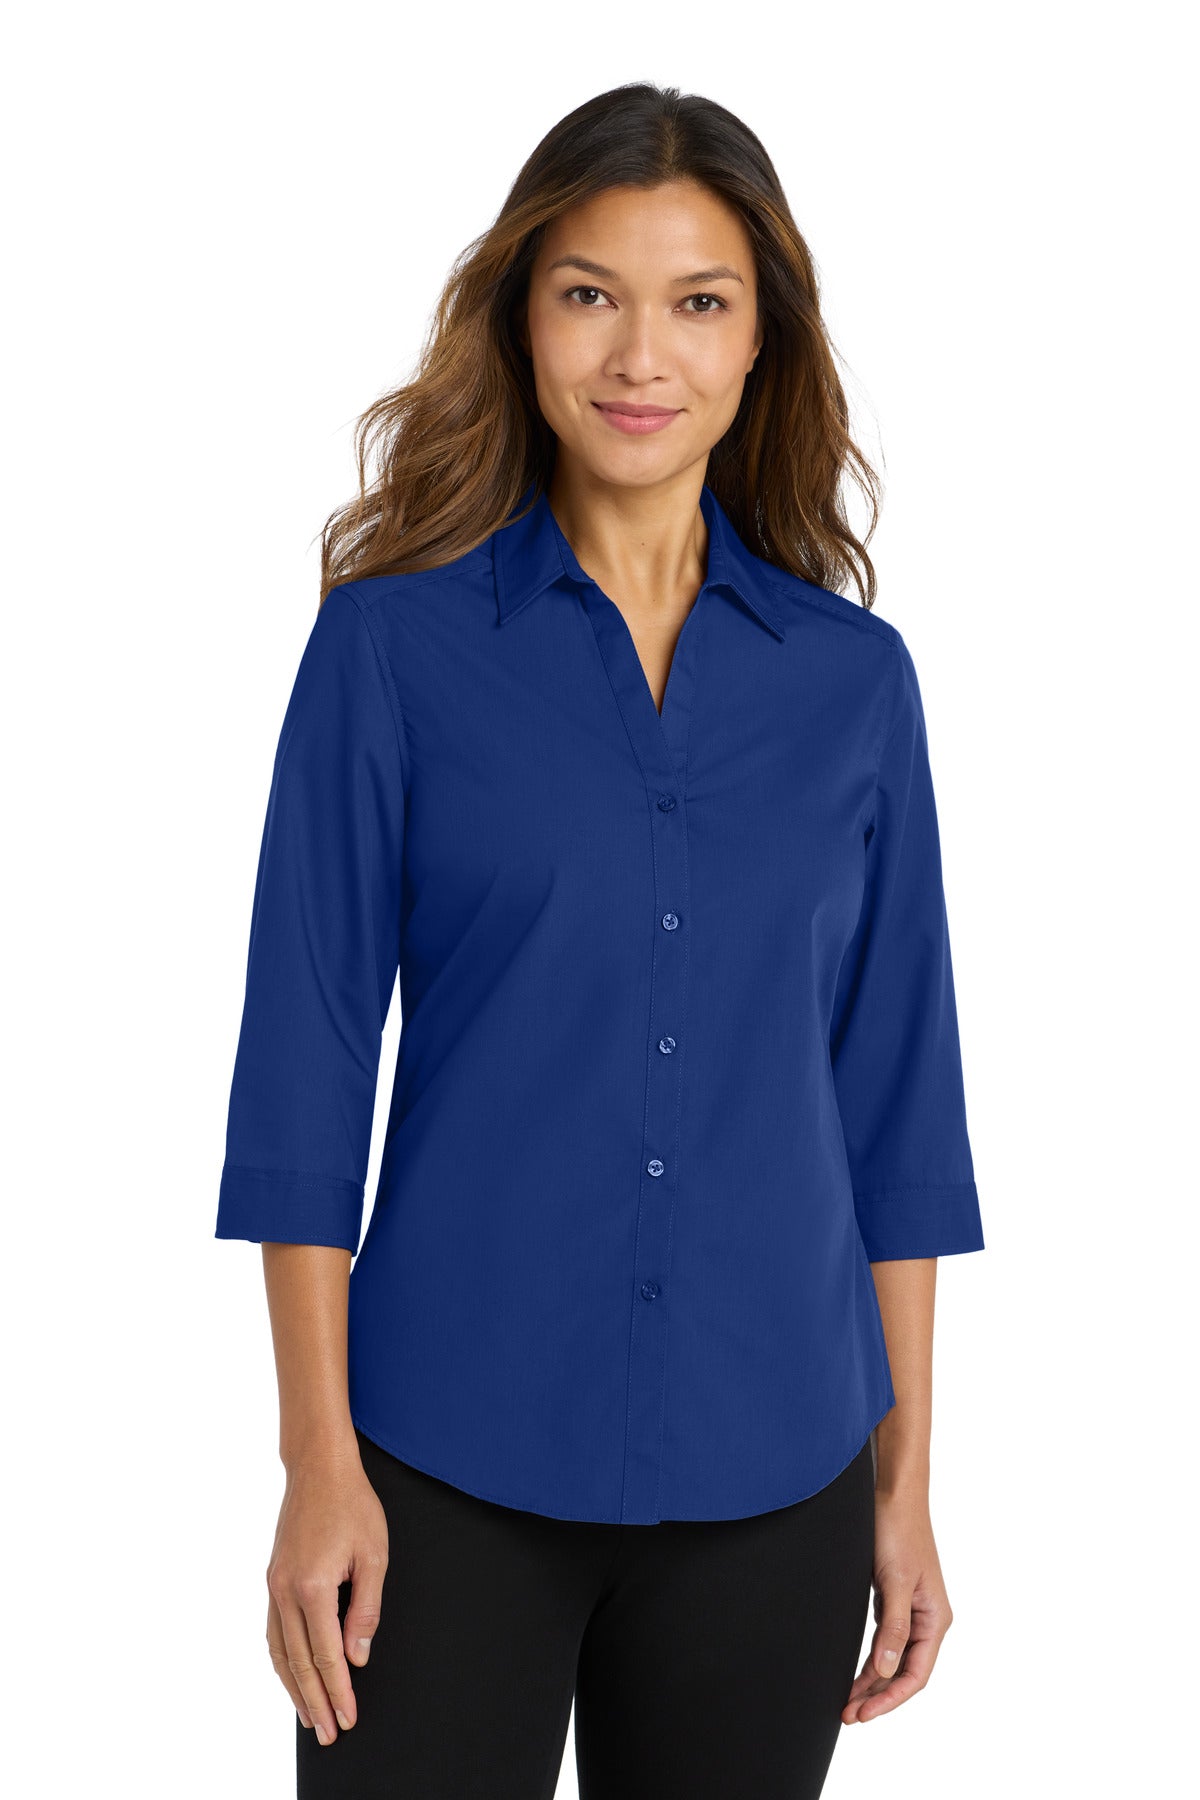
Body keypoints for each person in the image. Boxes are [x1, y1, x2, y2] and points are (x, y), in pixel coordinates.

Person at [214, 81, 985, 1800]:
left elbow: (897, 1106)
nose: (642, 355)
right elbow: (304, 1073)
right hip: (438, 1467)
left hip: (778, 1470)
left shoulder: (855, 687)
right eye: (589, 294)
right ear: (523, 318)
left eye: (699, 302)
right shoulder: (389, 655)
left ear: (763, 340)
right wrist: (316, 1465)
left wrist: (908, 1481)